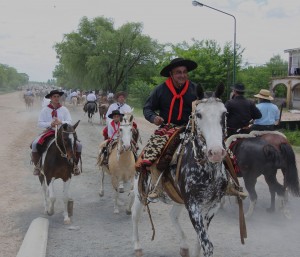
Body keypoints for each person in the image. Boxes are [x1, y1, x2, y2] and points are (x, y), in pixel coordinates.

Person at [139, 57, 198, 198]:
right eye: (178, 72)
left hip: (191, 127)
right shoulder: (160, 90)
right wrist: (154, 118)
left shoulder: (195, 89)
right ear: (171, 74)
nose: (182, 75)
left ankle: (229, 184)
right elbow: (148, 108)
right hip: (168, 128)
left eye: (184, 72)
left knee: (217, 148)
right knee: (152, 154)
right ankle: (155, 186)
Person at [30, 90, 82, 176]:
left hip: (63, 132)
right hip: (50, 131)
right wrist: (50, 123)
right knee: (35, 144)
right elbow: (39, 123)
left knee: (79, 145)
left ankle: (75, 165)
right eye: (54, 97)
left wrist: (61, 122)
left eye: (58, 96)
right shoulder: (45, 110)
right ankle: (38, 166)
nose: (56, 98)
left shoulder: (64, 109)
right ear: (51, 98)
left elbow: (69, 121)